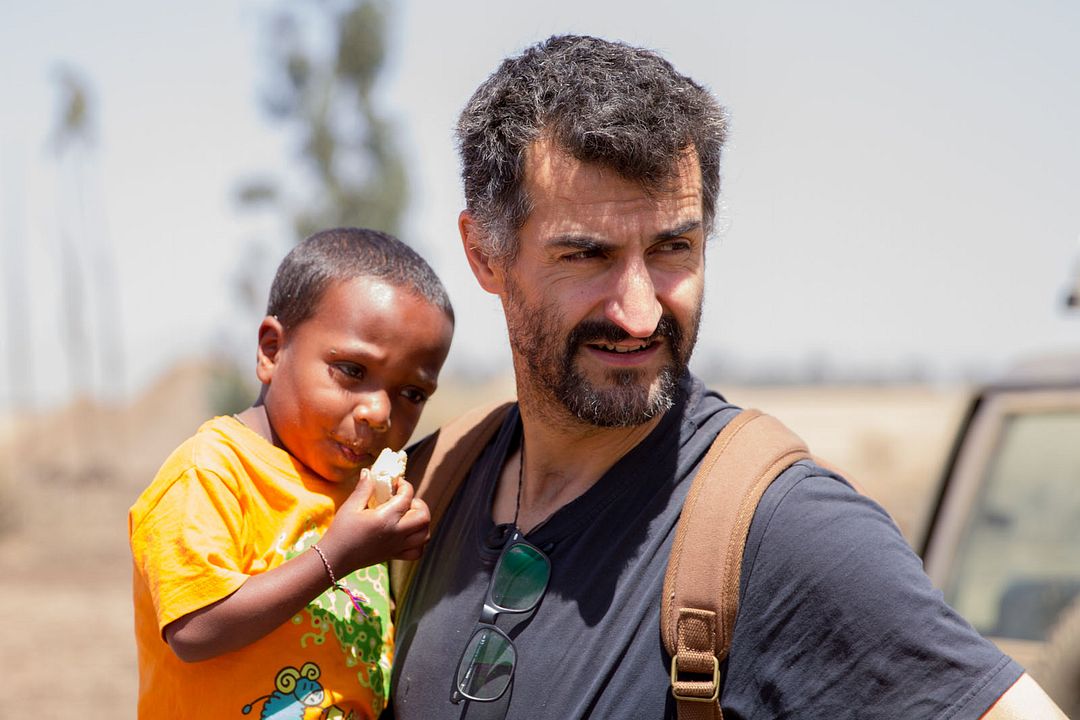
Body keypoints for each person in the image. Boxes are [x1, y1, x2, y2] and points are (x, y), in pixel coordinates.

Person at [388, 35, 1066, 719]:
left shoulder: (791, 534)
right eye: (587, 255)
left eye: (672, 248)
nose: (638, 311)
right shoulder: (420, 496)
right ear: (485, 254)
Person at [130, 227, 453, 719]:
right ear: (271, 351)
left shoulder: (362, 497)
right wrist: (338, 555)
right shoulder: (211, 472)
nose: (378, 413)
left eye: (411, 394)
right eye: (351, 370)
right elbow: (193, 630)